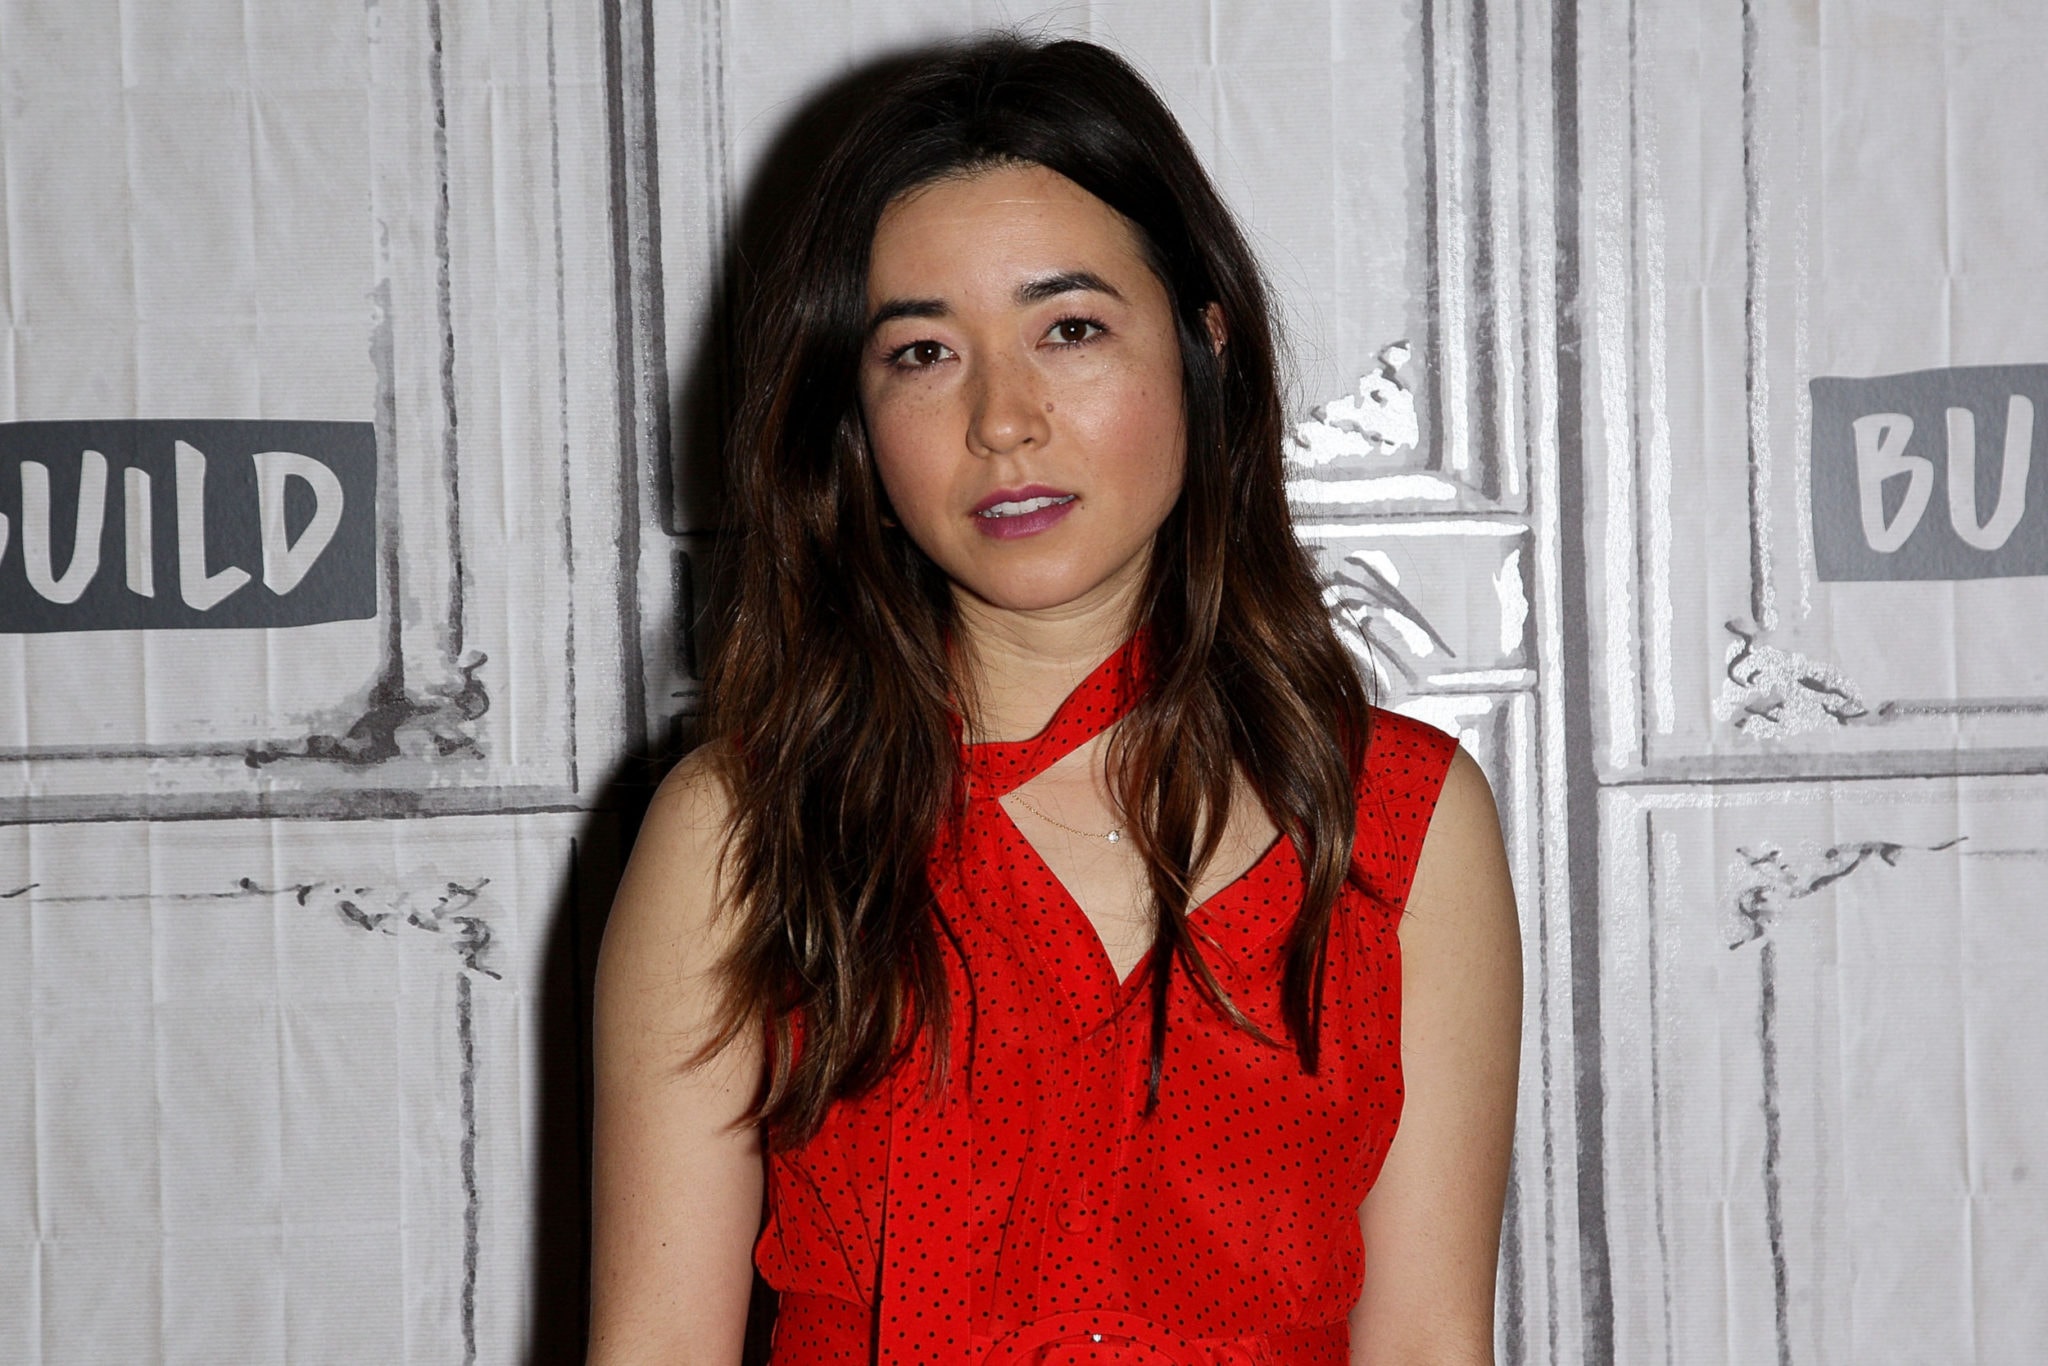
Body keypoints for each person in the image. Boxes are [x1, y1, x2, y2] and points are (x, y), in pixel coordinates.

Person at [587, 31, 1521, 1366]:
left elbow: (1429, 1340)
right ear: (856, 419)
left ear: (1204, 348)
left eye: (1070, 329)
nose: (1002, 419)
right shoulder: (741, 826)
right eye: (923, 353)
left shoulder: (1397, 822)